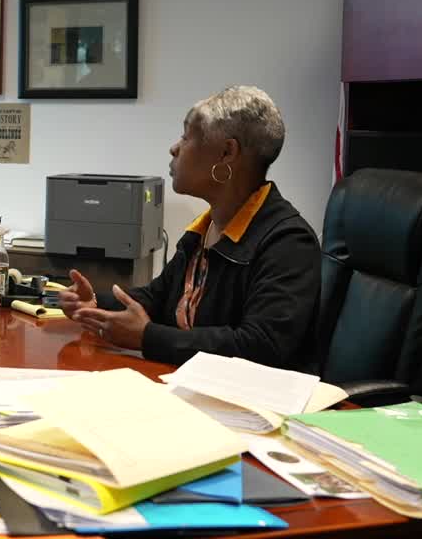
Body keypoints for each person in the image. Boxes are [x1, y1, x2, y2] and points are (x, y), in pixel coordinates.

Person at [60, 86, 321, 371]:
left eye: (186, 136)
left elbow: (260, 346)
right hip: (185, 382)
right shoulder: (203, 231)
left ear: (227, 152)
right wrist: (95, 304)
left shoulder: (288, 242)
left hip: (242, 396)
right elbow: (157, 298)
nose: (174, 148)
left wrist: (147, 338)